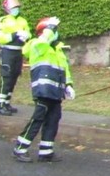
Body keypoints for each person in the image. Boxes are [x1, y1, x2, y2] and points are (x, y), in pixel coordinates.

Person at [12, 17, 73, 163]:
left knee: (53, 120)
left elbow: (64, 69)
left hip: (56, 92)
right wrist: (50, 28)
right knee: (37, 119)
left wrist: (68, 84)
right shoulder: (36, 44)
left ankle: (46, 152)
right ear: (44, 32)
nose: (55, 33)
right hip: (43, 91)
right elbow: (41, 43)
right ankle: (20, 148)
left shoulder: (57, 49)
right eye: (53, 30)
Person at [0, 0, 31, 115]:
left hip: (18, 52)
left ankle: (6, 103)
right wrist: (15, 34)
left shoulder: (23, 21)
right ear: (7, 9)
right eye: (14, 7)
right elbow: (1, 38)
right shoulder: (2, 21)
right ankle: (0, 105)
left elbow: (28, 33)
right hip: (7, 52)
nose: (16, 9)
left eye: (17, 7)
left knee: (14, 77)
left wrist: (26, 36)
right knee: (6, 77)